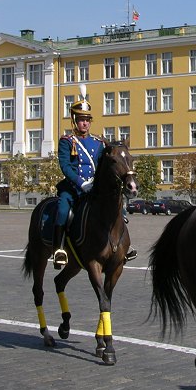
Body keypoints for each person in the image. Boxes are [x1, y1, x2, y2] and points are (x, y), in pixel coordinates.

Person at [51, 88, 137, 269]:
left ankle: (123, 247)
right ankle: (59, 249)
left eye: (87, 120)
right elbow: (65, 166)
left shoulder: (98, 143)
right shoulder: (67, 141)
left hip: (95, 186)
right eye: (81, 120)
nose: (85, 124)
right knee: (63, 209)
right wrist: (81, 183)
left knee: (118, 209)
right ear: (74, 120)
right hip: (74, 187)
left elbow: (103, 166)